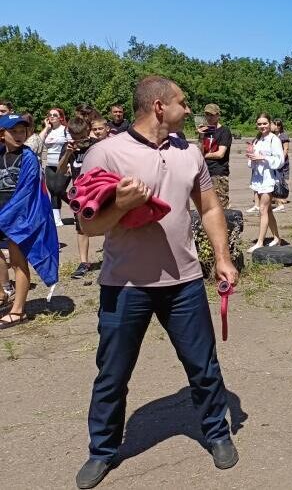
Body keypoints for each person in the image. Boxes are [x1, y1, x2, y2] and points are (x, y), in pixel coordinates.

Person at [74, 76, 240, 489]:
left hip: (183, 282)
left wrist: (221, 257)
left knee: (203, 367)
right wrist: (123, 206)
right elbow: (87, 225)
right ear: (160, 107)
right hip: (124, 284)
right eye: (183, 102)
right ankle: (103, 450)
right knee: (112, 373)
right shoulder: (106, 153)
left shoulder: (191, 153)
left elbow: (210, 206)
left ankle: (217, 434)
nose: (190, 110)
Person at [0, 114, 59, 329]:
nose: (18, 135)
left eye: (21, 131)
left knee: (18, 262)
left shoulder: (29, 158)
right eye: (13, 131)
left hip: (18, 220)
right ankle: (2, 294)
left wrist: (5, 218)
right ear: (2, 134)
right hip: (1, 215)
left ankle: (18, 311)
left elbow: (26, 194)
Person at [57, 117, 107, 279]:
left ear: (87, 131)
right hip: (80, 193)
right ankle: (84, 262)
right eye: (75, 136)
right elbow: (60, 170)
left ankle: (111, 257)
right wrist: (69, 153)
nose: (79, 140)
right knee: (81, 227)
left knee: (109, 223)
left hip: (100, 190)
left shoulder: (97, 144)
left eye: (81, 136)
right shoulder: (68, 147)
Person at [247, 113, 285, 252]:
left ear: (270, 124)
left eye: (264, 123)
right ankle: (276, 238)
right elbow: (252, 161)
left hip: (269, 178)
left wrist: (262, 157)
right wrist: (251, 157)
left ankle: (260, 242)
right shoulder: (257, 140)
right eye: (259, 124)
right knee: (268, 210)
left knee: (263, 209)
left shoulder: (274, 139)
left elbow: (280, 161)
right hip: (258, 177)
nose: (262, 126)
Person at [196, 104, 233, 209]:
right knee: (206, 206)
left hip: (218, 172)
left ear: (218, 115)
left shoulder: (224, 131)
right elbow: (199, 151)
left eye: (212, 115)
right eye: (207, 114)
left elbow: (220, 154)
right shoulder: (205, 131)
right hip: (205, 171)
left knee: (221, 205)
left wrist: (205, 155)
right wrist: (201, 137)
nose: (209, 117)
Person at [40, 107, 71, 226]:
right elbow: (39, 142)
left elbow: (71, 145)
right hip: (50, 165)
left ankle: (76, 205)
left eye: (55, 115)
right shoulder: (48, 131)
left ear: (61, 118)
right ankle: (57, 219)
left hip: (63, 165)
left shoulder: (65, 130)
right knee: (52, 191)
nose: (52, 116)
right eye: (50, 114)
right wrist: (46, 127)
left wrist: (68, 163)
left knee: (58, 190)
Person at [272, 119, 291, 211]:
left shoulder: (283, 136)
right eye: (275, 124)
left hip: (282, 161)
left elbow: (286, 149)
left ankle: (282, 196)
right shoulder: (271, 135)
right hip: (274, 161)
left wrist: (281, 159)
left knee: (282, 179)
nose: (276, 127)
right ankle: (276, 196)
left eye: (278, 125)